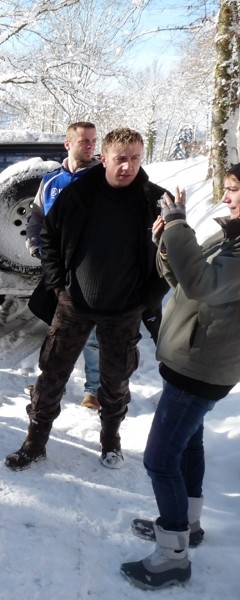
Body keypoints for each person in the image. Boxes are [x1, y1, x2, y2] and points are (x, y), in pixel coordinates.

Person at [5, 128, 169, 471]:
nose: (128, 166)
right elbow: (47, 235)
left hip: (123, 310)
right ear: (104, 157)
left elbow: (171, 255)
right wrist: (57, 284)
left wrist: (147, 299)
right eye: (121, 159)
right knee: (51, 375)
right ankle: (35, 441)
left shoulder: (153, 199)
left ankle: (111, 440)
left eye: (135, 158)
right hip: (74, 303)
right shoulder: (79, 192)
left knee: (115, 381)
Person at [120, 169, 240, 589]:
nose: (227, 199)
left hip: (201, 368)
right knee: (188, 444)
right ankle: (187, 527)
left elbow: (203, 284)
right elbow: (184, 281)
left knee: (159, 459)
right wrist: (166, 244)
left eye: (234, 191)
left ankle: (173, 556)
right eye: (226, 190)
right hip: (192, 360)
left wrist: (176, 225)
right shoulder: (231, 235)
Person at [26, 122, 102, 409]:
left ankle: (94, 390)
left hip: (89, 271)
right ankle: (49, 383)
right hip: (58, 270)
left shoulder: (100, 179)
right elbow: (36, 219)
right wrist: (37, 248)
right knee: (57, 331)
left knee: (93, 335)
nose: (90, 146)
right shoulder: (50, 181)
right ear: (68, 144)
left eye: (94, 141)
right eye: (84, 141)